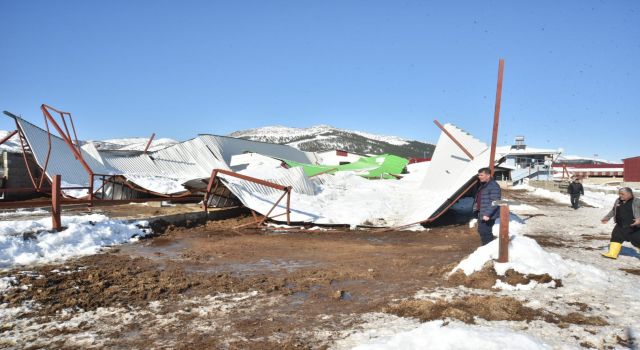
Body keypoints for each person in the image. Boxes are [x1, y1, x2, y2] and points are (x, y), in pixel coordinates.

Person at [601, 187, 640, 259]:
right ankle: (612, 253)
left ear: (629, 194)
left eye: (622, 194)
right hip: (620, 225)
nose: (620, 195)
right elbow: (613, 210)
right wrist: (607, 217)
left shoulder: (636, 201)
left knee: (637, 241)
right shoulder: (618, 201)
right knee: (616, 237)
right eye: (619, 194)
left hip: (634, 227)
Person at [473, 167, 502, 245]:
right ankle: (487, 247)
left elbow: (495, 201)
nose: (479, 177)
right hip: (482, 212)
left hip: (488, 214)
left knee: (485, 231)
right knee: (482, 230)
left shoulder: (493, 186)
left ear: (488, 175)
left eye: (481, 175)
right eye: (479, 175)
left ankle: (488, 249)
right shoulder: (484, 185)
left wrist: (487, 214)